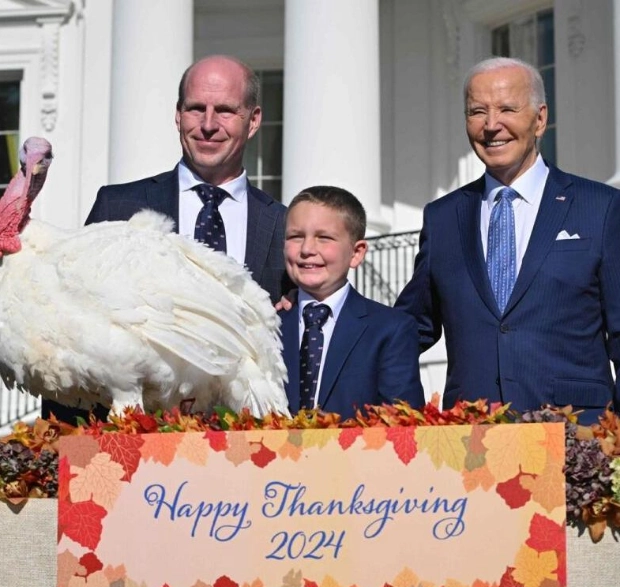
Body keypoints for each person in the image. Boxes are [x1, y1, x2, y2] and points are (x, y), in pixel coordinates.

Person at [43, 54, 290, 423]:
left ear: (253, 121)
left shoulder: (284, 225)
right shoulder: (118, 206)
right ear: (178, 115)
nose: (208, 124)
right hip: (129, 447)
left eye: (224, 110)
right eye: (195, 109)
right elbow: (67, 329)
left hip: (247, 451)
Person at [395, 56, 620, 425]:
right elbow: (406, 329)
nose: (491, 125)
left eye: (507, 109)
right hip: (470, 442)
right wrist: (318, 306)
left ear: (540, 119)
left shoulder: (602, 208)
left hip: (578, 439)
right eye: (477, 111)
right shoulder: (443, 218)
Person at [279, 185, 425, 419]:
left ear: (356, 253)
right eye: (296, 236)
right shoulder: (265, 325)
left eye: (324, 238)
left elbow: (402, 425)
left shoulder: (390, 329)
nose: (307, 249)